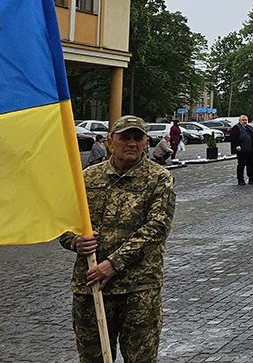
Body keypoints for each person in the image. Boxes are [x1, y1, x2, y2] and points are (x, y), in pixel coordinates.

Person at [59, 116, 175, 363]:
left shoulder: (159, 179)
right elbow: (63, 223)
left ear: (146, 142)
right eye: (124, 137)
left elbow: (156, 228)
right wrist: (74, 242)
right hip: (91, 288)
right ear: (111, 141)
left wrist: (113, 264)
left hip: (138, 289)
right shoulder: (87, 178)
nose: (131, 143)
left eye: (137, 138)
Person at [229, 115, 253, 185]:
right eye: (243, 120)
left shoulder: (249, 127)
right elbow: (233, 138)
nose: (244, 121)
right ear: (239, 121)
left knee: (251, 165)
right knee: (241, 165)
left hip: (250, 150)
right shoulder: (236, 128)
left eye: (246, 120)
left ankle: (251, 179)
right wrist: (237, 146)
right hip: (242, 150)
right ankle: (240, 180)